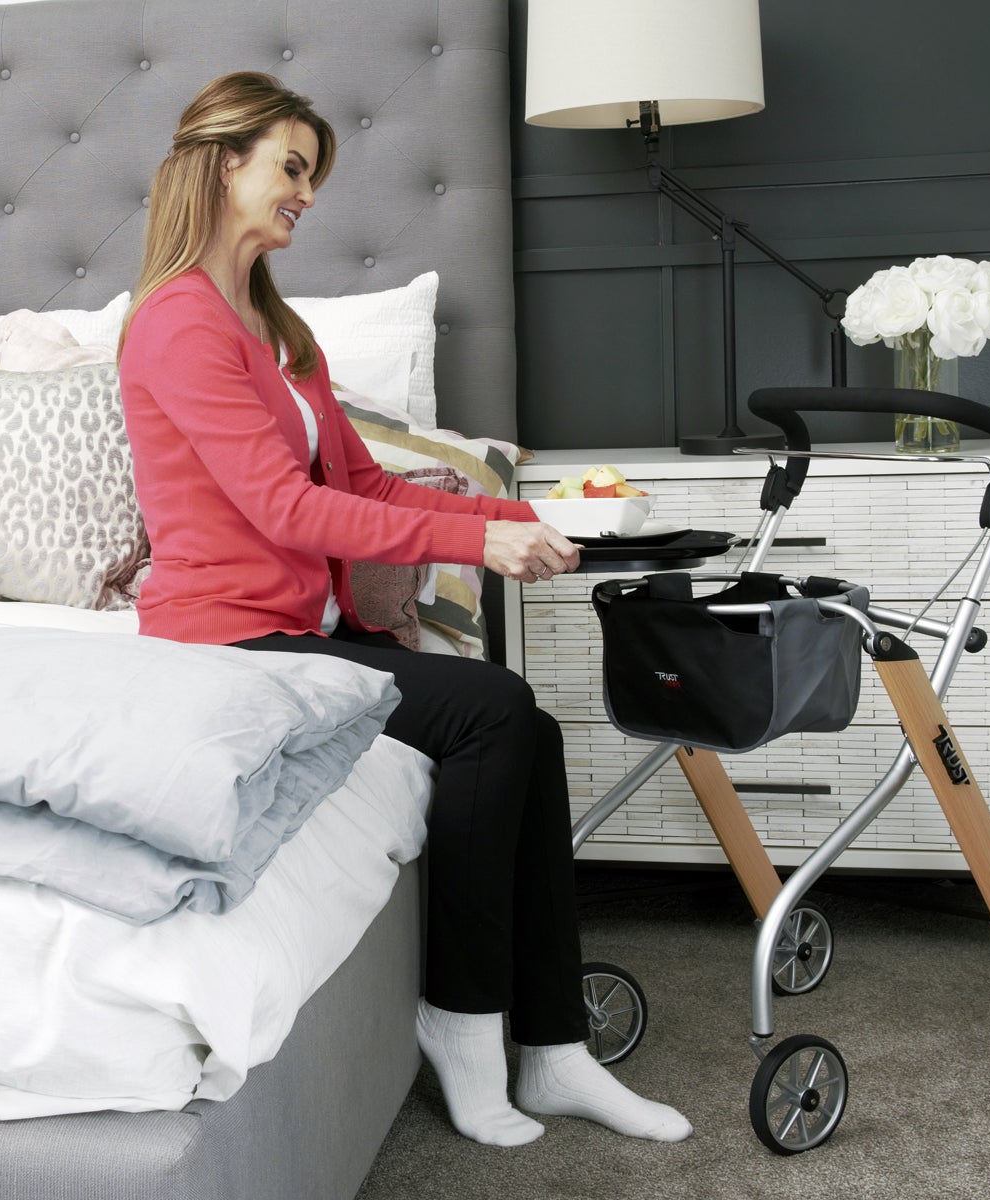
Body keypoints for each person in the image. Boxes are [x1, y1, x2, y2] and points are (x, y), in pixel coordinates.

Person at [116, 72, 690, 1147]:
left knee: (530, 729)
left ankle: (554, 1050)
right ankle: (462, 1026)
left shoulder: (280, 330)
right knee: (492, 714)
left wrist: (519, 509)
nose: (308, 195)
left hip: (300, 633)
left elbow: (362, 487)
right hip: (227, 643)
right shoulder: (175, 326)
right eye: (292, 167)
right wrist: (478, 542)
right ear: (223, 162)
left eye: (313, 174)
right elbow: (287, 509)